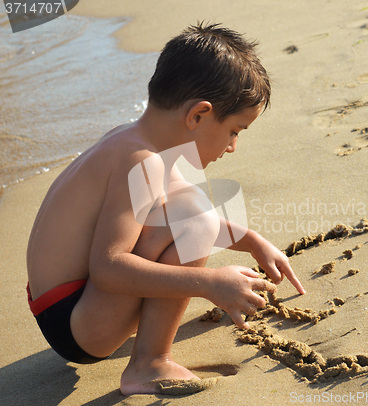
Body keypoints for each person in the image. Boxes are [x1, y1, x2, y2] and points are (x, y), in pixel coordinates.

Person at [26, 23, 305, 396]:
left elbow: (174, 209)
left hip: (62, 309)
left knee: (188, 206)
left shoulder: (134, 140)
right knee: (196, 217)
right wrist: (210, 283)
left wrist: (251, 241)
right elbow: (108, 268)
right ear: (198, 115)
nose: (233, 146)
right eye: (236, 131)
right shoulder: (142, 161)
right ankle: (149, 362)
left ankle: (150, 341)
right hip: (79, 323)